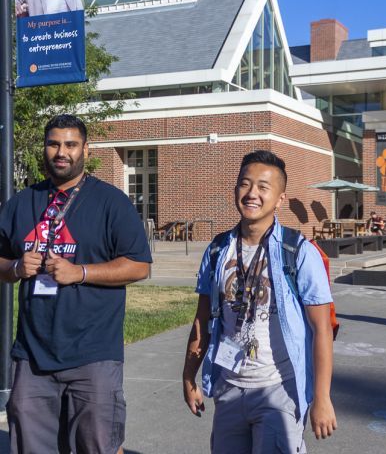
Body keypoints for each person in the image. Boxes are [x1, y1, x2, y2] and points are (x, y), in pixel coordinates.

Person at [0, 115, 152, 453]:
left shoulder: (111, 202)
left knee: (96, 446)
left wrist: (80, 272)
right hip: (32, 357)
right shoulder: (22, 203)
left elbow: (139, 266)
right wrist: (14, 266)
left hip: (93, 355)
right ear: (45, 148)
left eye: (70, 144)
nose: (61, 152)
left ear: (85, 148)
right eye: (54, 143)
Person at [182, 151, 337, 453]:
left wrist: (322, 398)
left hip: (279, 390)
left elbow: (322, 329)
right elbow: (202, 320)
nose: (252, 193)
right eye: (245, 184)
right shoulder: (217, 251)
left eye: (263, 187)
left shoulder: (299, 252)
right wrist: (188, 375)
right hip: (228, 387)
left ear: (280, 199)